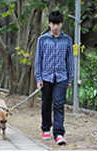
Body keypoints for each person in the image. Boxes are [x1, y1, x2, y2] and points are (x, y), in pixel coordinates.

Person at [34, 10, 74, 145]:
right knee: (46, 104)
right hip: (46, 77)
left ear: (61, 24)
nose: (55, 26)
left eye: (58, 24)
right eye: (53, 24)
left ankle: (58, 133)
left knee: (58, 104)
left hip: (62, 77)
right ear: (49, 24)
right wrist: (38, 78)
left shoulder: (67, 40)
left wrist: (69, 78)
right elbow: (38, 59)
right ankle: (45, 128)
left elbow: (70, 60)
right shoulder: (42, 39)